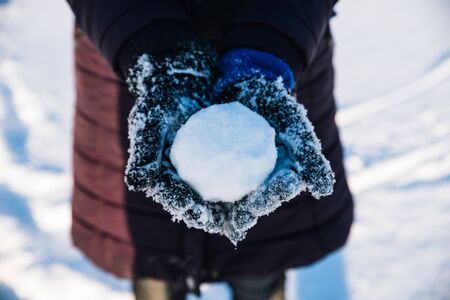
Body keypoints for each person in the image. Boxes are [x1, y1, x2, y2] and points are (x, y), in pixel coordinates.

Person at [66, 0, 353, 299]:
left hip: (281, 54)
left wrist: (270, 48)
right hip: (125, 56)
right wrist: (152, 45)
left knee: (261, 267)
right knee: (152, 264)